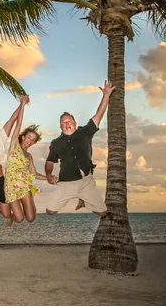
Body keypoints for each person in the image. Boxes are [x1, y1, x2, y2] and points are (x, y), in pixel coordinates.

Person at [45, 81, 114, 216]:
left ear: (75, 123)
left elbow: (98, 115)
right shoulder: (56, 143)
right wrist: (48, 175)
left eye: (69, 121)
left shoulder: (85, 132)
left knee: (103, 213)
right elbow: (49, 163)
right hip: (66, 183)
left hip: (86, 182)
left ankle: (84, 200)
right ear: (60, 126)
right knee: (50, 211)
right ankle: (81, 199)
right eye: (63, 122)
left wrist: (106, 95)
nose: (67, 124)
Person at [4, 97, 47, 226]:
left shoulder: (29, 156)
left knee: (31, 218)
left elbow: (34, 174)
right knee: (19, 218)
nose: (30, 140)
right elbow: (18, 124)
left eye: (33, 140)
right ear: (23, 137)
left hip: (23, 186)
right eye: (29, 137)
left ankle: (31, 197)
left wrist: (48, 178)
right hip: (10, 186)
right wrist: (22, 104)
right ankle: (11, 217)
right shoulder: (14, 145)